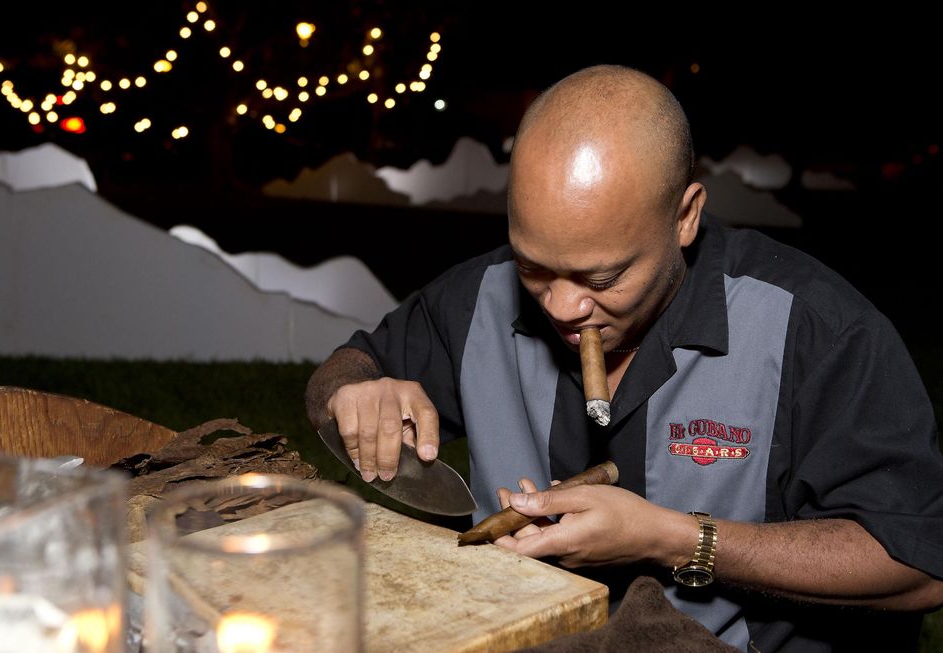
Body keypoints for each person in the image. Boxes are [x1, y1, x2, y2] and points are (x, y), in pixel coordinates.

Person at [304, 64, 943, 651]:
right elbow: (344, 369)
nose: (560, 306)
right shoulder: (478, 297)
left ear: (686, 216)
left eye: (601, 279)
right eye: (533, 265)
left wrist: (674, 539)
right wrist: (353, 393)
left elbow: (919, 565)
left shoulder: (813, 327)